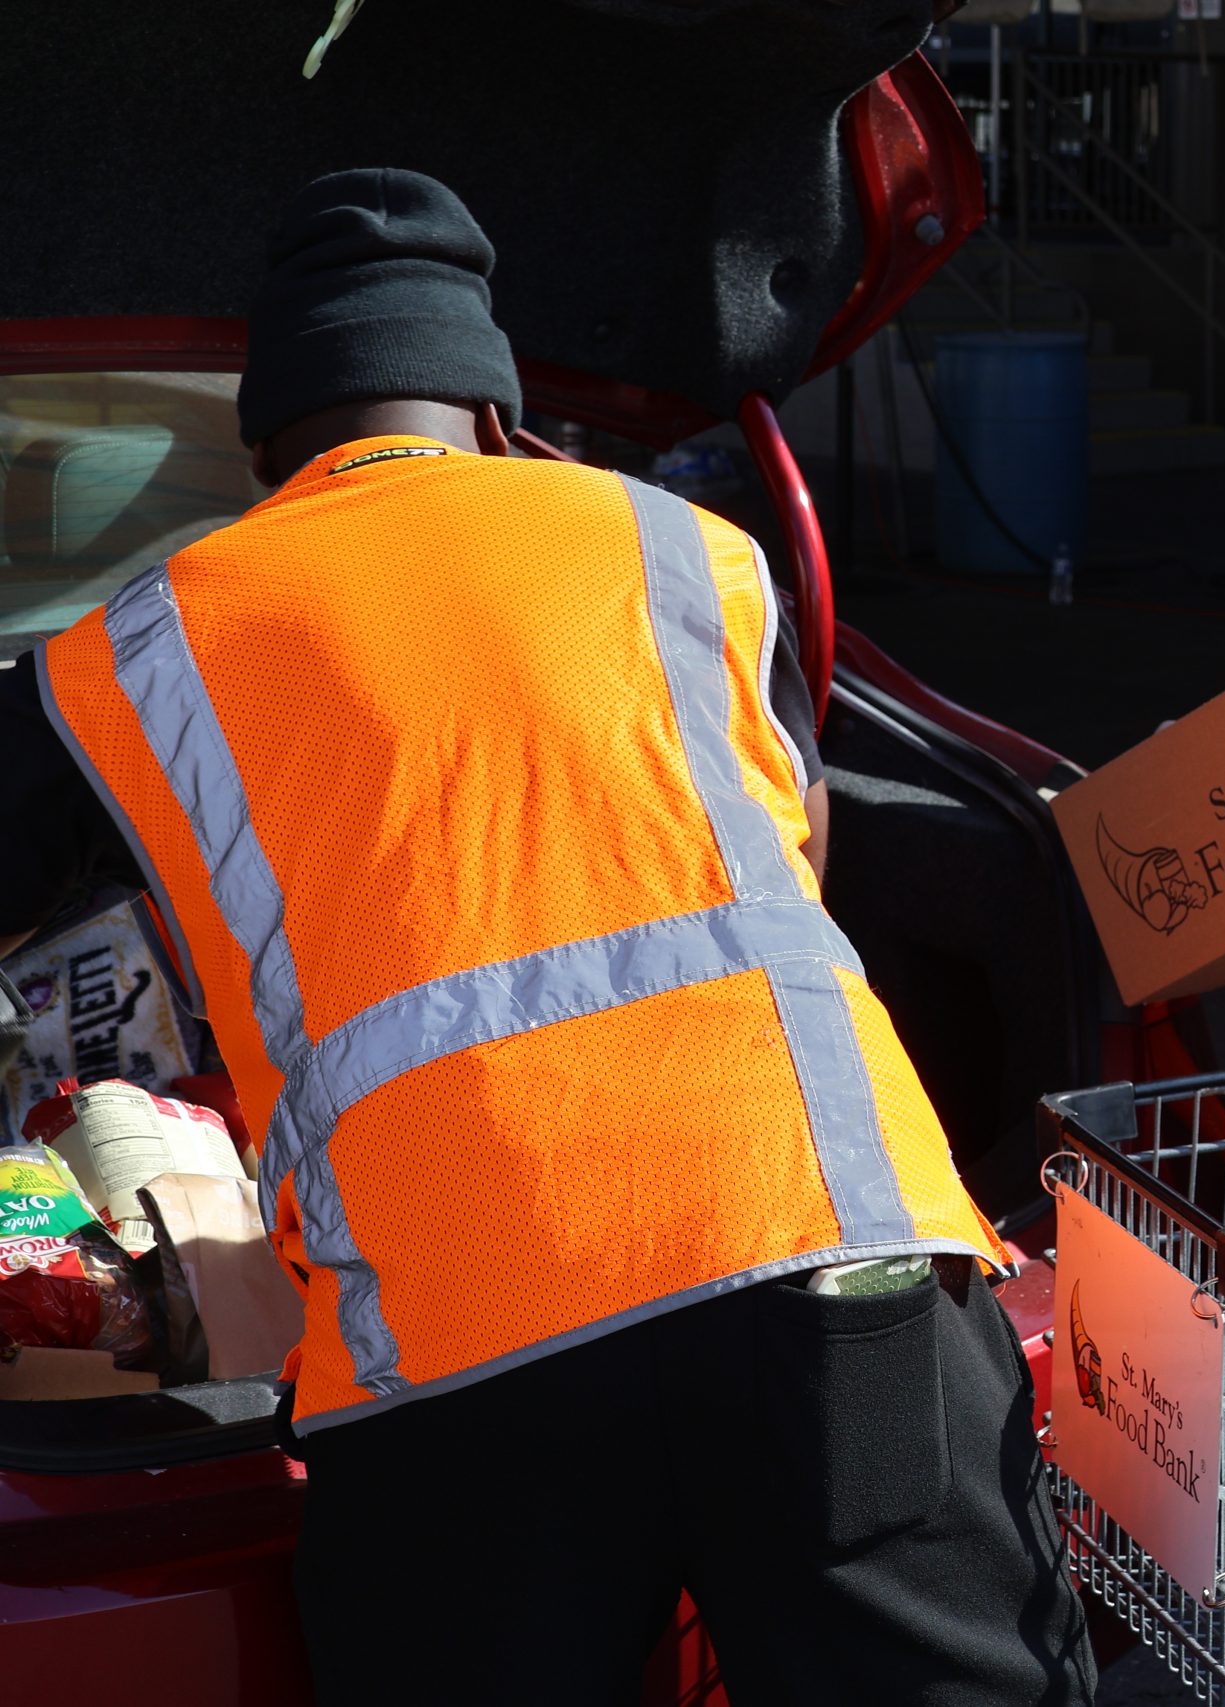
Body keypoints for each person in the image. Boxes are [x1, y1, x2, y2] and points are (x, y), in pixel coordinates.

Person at [0, 169, 1092, 1707]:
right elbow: (801, 858)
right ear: (500, 418)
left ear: (269, 450)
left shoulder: (150, 639)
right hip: (832, 1265)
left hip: (465, 1354)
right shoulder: (688, 550)